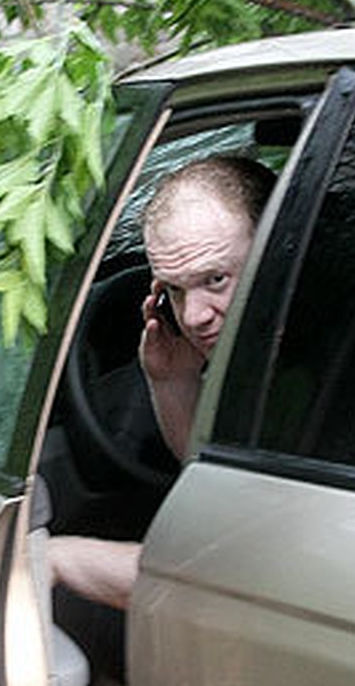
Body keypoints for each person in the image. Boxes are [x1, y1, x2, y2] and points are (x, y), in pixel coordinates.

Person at [48, 155, 275, 611]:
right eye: (174, 289)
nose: (192, 317)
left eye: (215, 279)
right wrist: (173, 382)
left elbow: (219, 580)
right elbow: (216, 486)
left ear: (277, 245)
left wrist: (56, 558)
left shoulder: (324, 366)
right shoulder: (258, 350)